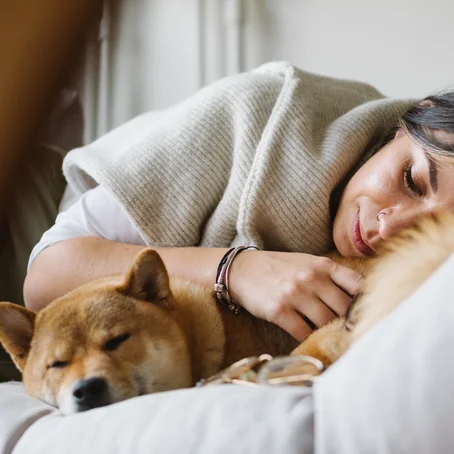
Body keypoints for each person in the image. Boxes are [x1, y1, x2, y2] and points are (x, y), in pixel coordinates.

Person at [24, 62, 454, 342]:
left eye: (432, 229)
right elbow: (45, 278)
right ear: (410, 121)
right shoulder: (258, 111)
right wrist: (237, 269)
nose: (390, 229)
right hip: (44, 218)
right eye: (412, 181)